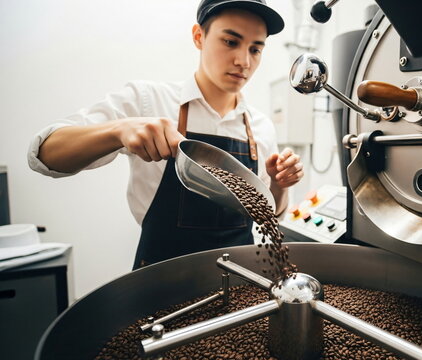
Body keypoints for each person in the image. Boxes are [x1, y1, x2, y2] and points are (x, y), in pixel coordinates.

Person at [27, 0, 303, 269]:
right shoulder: (148, 101)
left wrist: (280, 184)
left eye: (255, 49)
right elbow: (44, 155)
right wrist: (119, 130)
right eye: (230, 42)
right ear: (199, 36)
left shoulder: (260, 126)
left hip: (240, 281)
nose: (243, 61)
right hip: (161, 283)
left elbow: (271, 215)